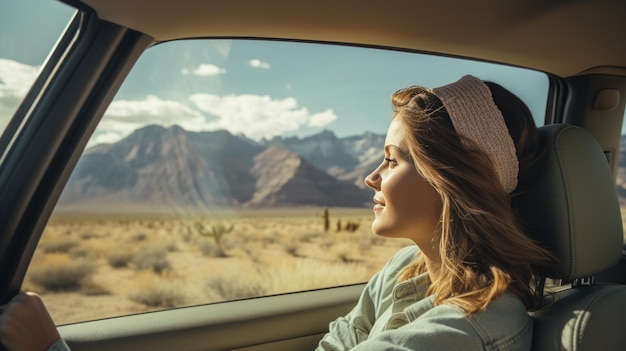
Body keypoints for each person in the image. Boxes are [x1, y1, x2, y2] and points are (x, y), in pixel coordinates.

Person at [0, 75, 554, 351]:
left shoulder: (470, 327)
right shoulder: (409, 271)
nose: (370, 178)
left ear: (449, 180)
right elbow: (340, 338)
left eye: (391, 160)